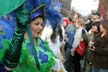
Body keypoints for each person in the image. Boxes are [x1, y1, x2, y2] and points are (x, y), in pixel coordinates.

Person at [0, 4, 55, 72]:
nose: (40, 27)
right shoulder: (16, 44)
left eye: (42, 24)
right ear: (27, 24)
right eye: (36, 24)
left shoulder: (41, 42)